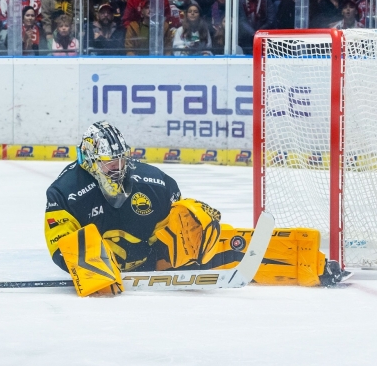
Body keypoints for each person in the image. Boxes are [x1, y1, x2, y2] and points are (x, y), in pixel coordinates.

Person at [43, 122, 346, 296]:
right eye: (110, 162)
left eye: (122, 159)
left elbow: (178, 218)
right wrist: (90, 267)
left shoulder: (154, 182)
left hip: (154, 259)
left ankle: (309, 263)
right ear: (89, 160)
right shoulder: (64, 193)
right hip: (106, 270)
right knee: (80, 241)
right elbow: (60, 248)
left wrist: (196, 222)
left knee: (203, 226)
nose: (119, 168)